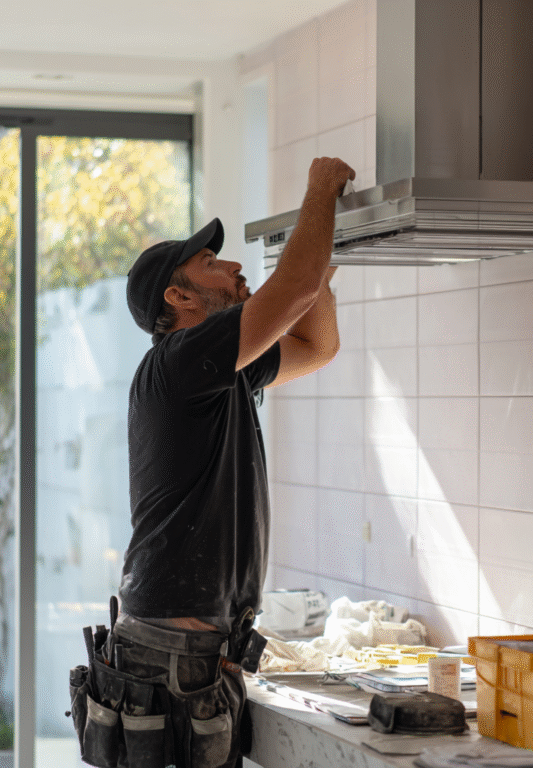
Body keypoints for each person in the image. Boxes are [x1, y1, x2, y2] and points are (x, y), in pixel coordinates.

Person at [94, 156, 355, 768]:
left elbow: (316, 346)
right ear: (179, 295)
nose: (235, 264)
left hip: (198, 652)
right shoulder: (182, 359)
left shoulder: (222, 371)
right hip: (170, 653)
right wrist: (319, 192)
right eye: (212, 263)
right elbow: (292, 292)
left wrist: (324, 257)